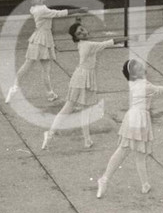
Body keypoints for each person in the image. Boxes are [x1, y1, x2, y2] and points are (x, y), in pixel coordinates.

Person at [95, 59, 163, 198]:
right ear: (134, 74)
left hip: (136, 117)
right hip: (138, 119)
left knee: (137, 152)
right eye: (138, 67)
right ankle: (104, 179)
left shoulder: (135, 83)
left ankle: (144, 184)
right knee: (125, 151)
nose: (142, 66)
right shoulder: (144, 86)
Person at [42, 22, 126, 150]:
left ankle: (87, 140)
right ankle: (50, 134)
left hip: (85, 78)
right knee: (68, 108)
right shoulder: (87, 45)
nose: (82, 33)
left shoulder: (83, 44)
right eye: (79, 33)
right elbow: (108, 43)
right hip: (81, 78)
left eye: (82, 30)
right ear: (77, 37)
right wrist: (127, 38)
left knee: (84, 109)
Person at [5, 0, 90, 104]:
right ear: (32, 0)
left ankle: (49, 93)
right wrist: (78, 10)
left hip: (44, 38)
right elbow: (58, 13)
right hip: (40, 39)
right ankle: (14, 87)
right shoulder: (41, 10)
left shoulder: (38, 8)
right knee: (29, 65)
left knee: (44, 68)